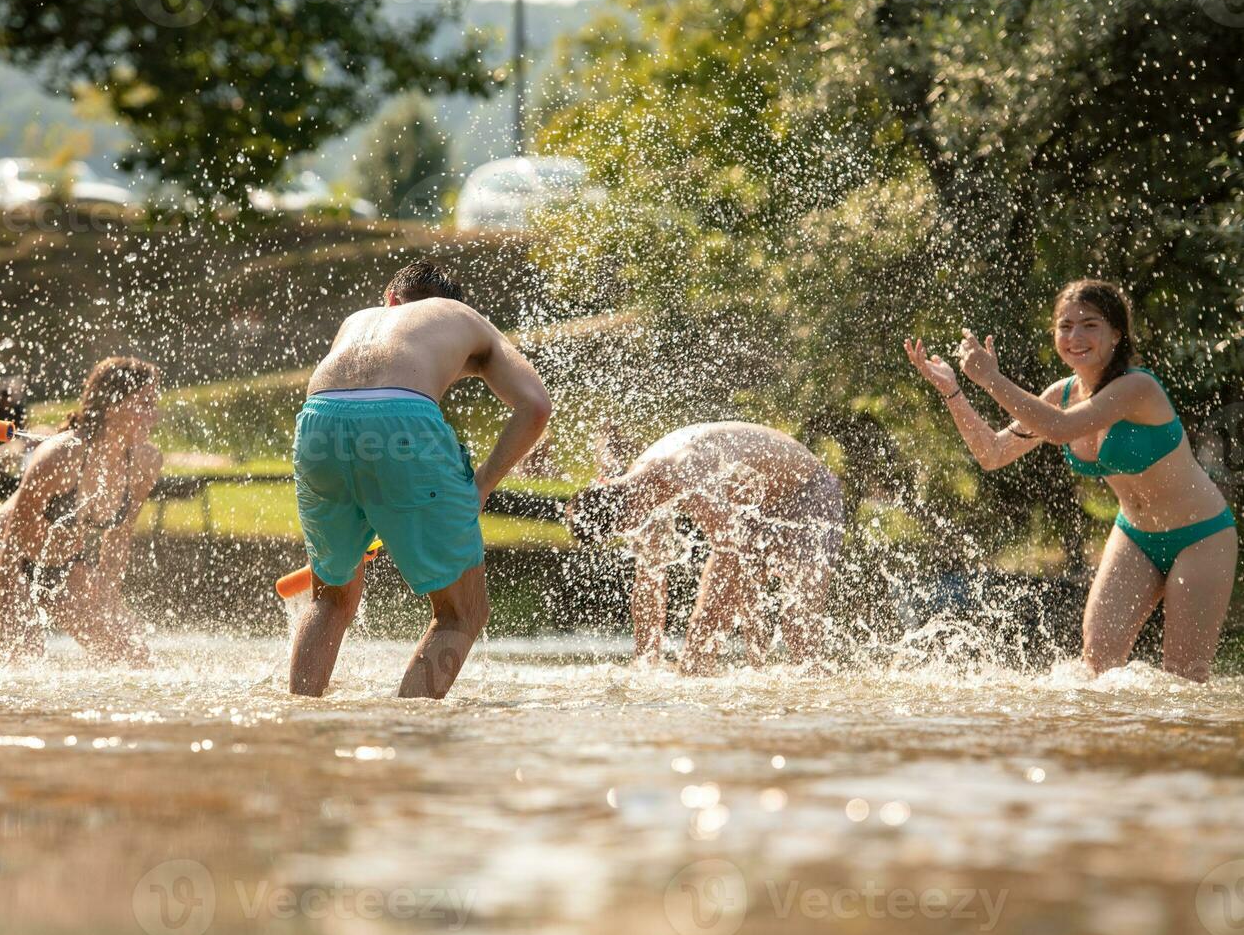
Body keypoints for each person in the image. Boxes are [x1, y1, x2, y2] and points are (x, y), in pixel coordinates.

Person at [906, 279, 1237, 682]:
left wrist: (992, 379)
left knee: (1185, 676)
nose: (1075, 336)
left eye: (1090, 325)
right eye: (1065, 326)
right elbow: (992, 453)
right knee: (1097, 664)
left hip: (1200, 537)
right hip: (1135, 536)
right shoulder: (1060, 395)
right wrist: (953, 391)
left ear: (1117, 333)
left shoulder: (1137, 387)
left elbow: (1060, 430)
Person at [290, 259, 552, 699]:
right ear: (445, 306)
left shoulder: (358, 321)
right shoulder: (463, 318)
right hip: (403, 423)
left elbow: (361, 407)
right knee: (461, 613)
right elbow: (536, 406)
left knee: (328, 600)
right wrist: (481, 486)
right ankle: (408, 734)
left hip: (317, 423)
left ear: (391, 299)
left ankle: (300, 718)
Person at [565, 422, 843, 673]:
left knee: (798, 629)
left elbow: (731, 549)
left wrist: (695, 650)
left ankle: (820, 700)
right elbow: (650, 577)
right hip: (754, 505)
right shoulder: (634, 484)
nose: (627, 532)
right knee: (743, 625)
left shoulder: (683, 469)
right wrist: (645, 660)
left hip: (807, 490)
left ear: (626, 517)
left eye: (622, 527)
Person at [0, 357, 161, 666]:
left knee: (134, 658)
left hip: (65, 566)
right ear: (113, 405)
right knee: (23, 656)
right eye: (145, 404)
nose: (155, 415)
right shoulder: (61, 455)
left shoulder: (145, 462)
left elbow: (118, 539)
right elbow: (12, 543)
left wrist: (108, 601)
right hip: (4, 559)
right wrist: (8, 619)